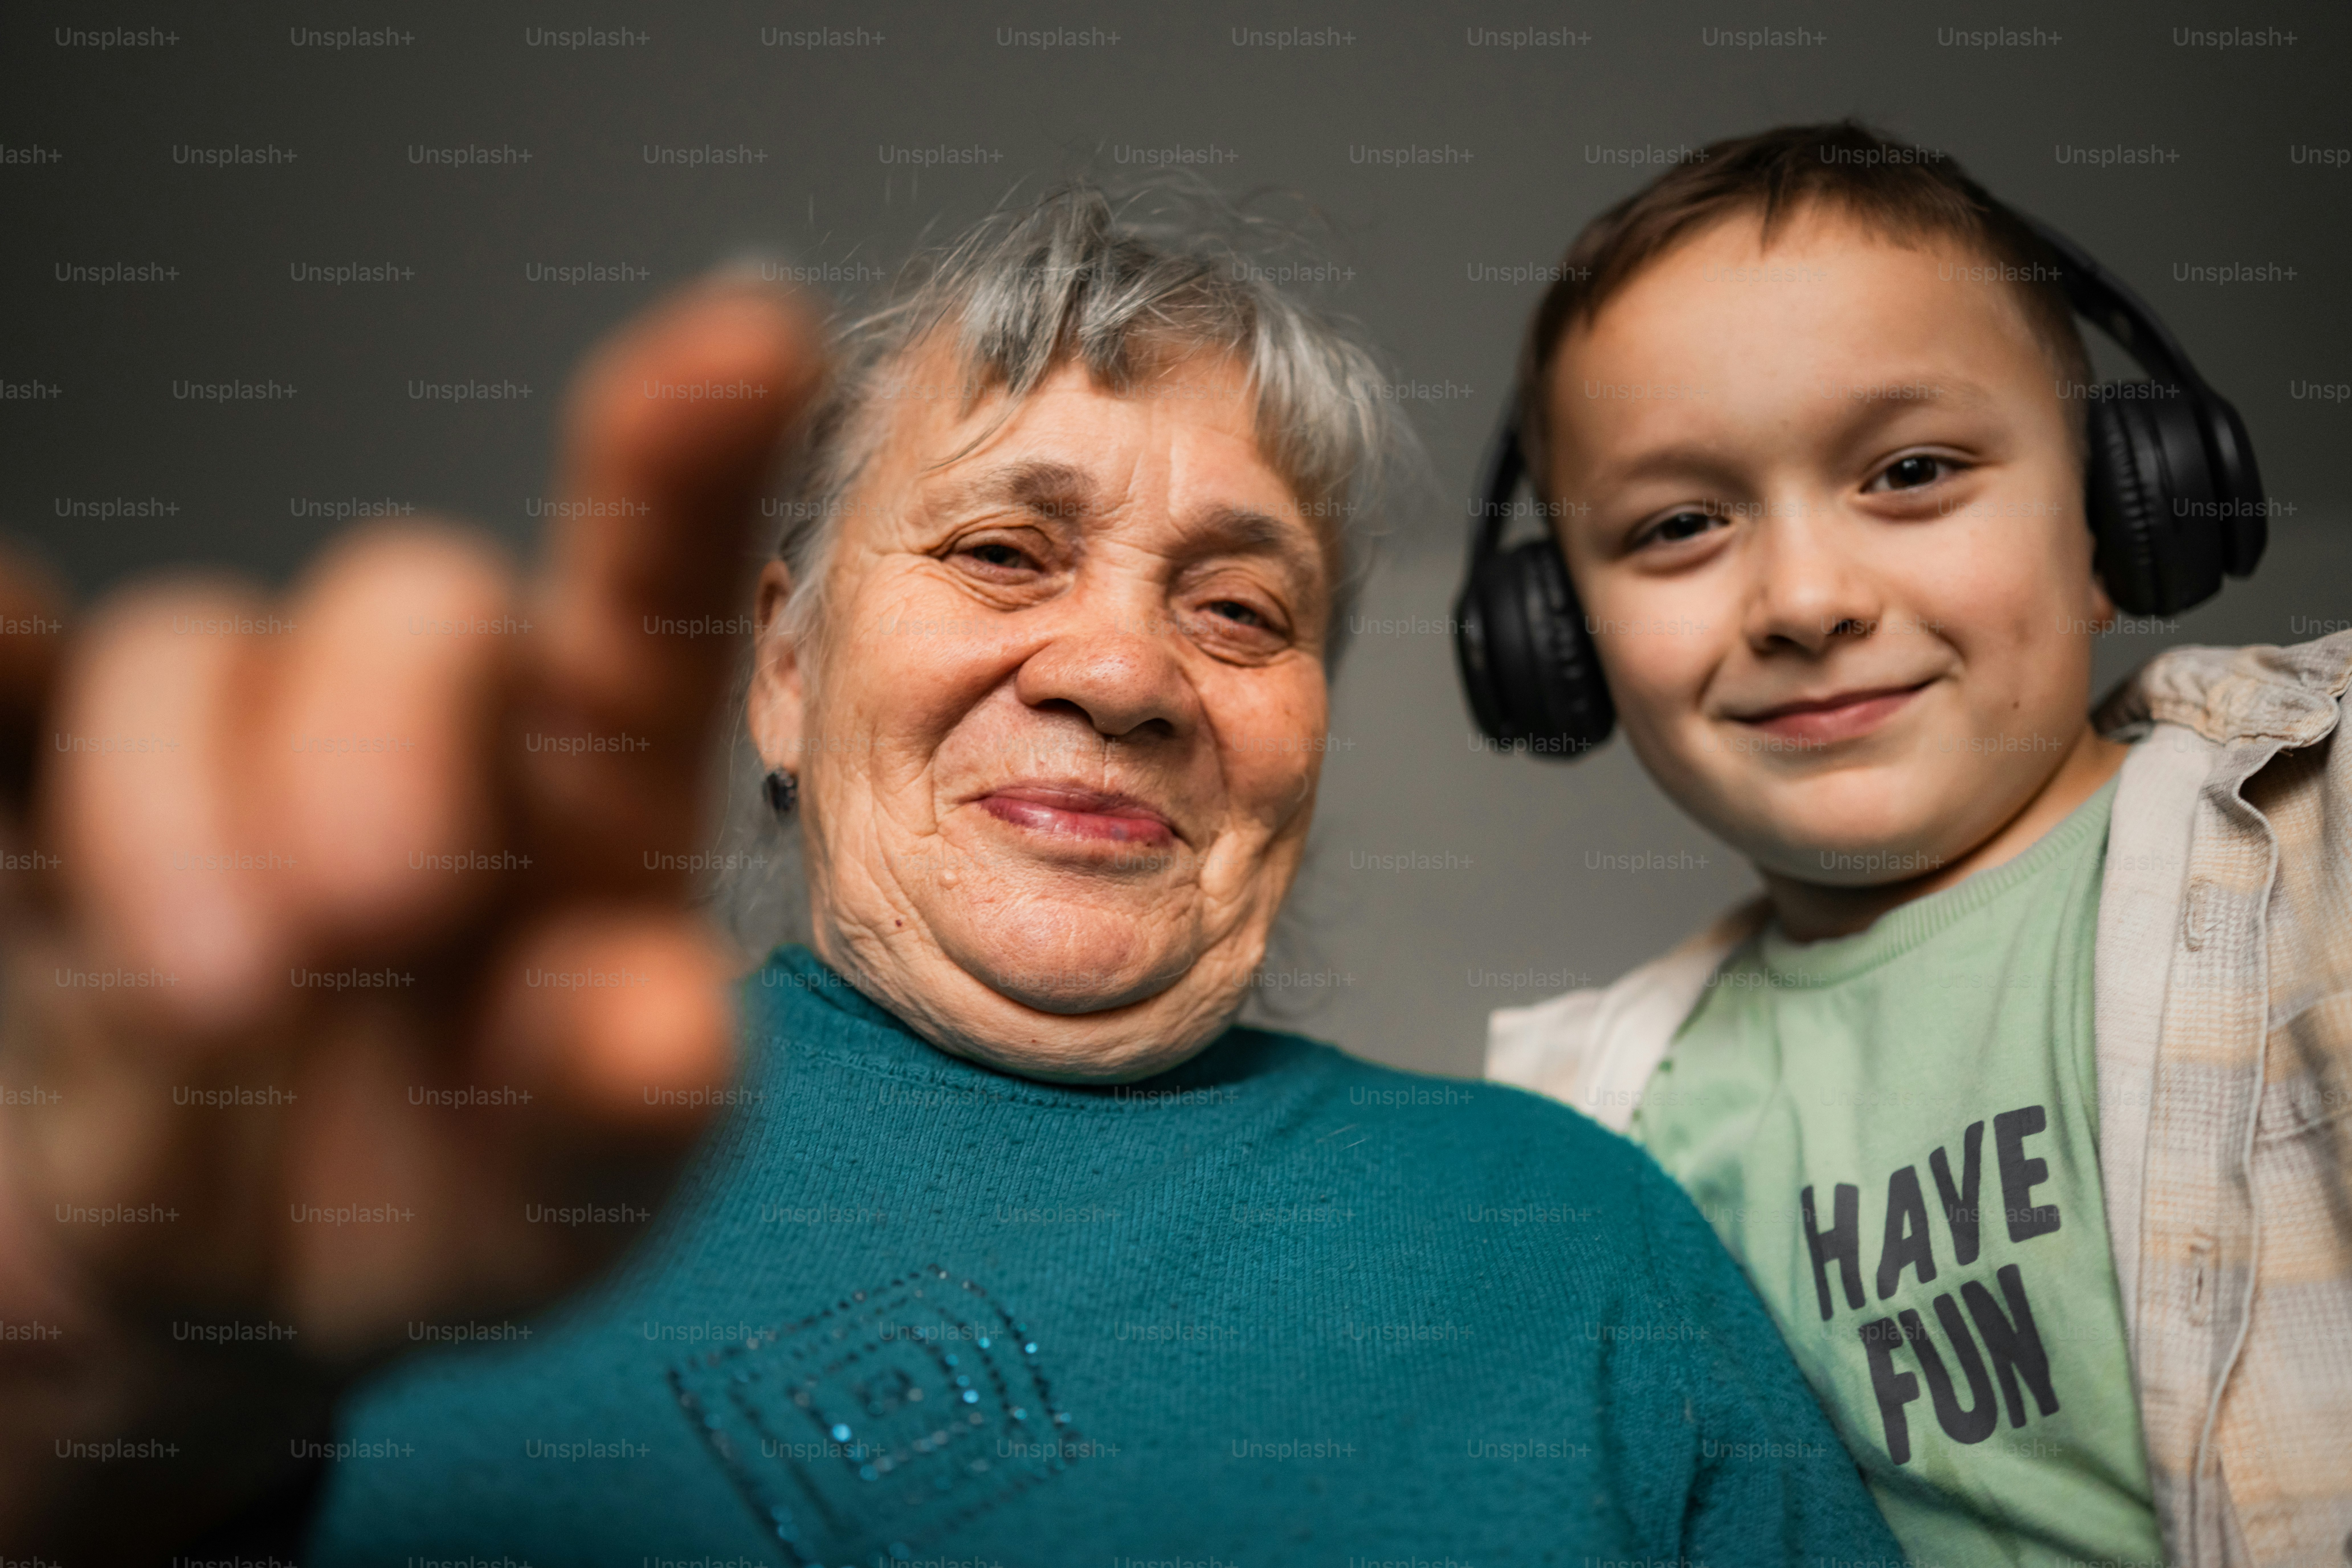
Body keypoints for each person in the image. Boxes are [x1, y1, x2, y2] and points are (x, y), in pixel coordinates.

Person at [0, 183, 1903, 1565]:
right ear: (782, 663)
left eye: (1239, 607)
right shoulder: (408, 1175)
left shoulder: (1574, 1241)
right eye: (1003, 551)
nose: (1120, 672)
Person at [1473, 121, 2351, 1568]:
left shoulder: (2313, 842)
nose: (1806, 597)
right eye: (1683, 522)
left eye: (1912, 470)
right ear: (1557, 646)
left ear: (2121, 518)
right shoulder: (1600, 1130)